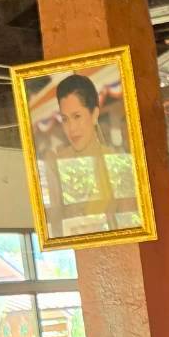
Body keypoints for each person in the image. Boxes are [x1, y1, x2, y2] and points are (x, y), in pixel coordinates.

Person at [42, 73, 132, 238]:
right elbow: (55, 224)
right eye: (65, 119)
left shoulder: (116, 162)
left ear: (94, 114)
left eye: (77, 116)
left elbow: (128, 220)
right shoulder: (57, 164)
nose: (71, 128)